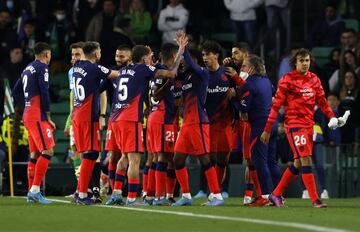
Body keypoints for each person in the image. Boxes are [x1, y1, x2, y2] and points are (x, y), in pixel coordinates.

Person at [260, 48, 348, 208]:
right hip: (294, 125)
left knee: (299, 163)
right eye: (301, 60)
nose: (305, 63)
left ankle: (276, 194)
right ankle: (316, 200)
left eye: (307, 60)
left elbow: (322, 102)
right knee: (306, 159)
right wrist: (267, 129)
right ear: (295, 62)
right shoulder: (287, 79)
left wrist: (333, 117)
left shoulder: (314, 79)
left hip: (309, 126)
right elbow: (276, 106)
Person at [106, 44, 182, 206]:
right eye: (149, 56)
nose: (151, 59)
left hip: (116, 118)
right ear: (143, 59)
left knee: (124, 157)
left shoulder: (124, 70)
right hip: (130, 119)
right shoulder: (143, 69)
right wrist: (180, 51)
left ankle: (116, 193)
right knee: (135, 159)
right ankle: (132, 198)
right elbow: (172, 73)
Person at [172, 32, 224, 206]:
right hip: (187, 124)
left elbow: (192, 65)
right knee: (177, 160)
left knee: (205, 158)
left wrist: (184, 48)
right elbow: (170, 72)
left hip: (199, 122)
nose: (204, 57)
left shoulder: (202, 73)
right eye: (203, 55)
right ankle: (186, 196)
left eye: (206, 55)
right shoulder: (184, 77)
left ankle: (216, 195)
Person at [71, 41, 118, 205]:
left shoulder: (76, 67)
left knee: (88, 154)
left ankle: (81, 191)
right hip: (87, 117)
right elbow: (115, 75)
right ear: (96, 54)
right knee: (91, 154)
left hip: (77, 114)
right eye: (99, 52)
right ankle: (82, 194)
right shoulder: (93, 68)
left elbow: (98, 88)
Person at [12, 42, 56, 204]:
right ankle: (35, 190)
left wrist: (26, 104)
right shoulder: (42, 68)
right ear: (46, 54)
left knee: (35, 153)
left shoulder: (27, 68)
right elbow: (44, 92)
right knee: (48, 150)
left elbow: (16, 91)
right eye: (50, 55)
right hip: (37, 115)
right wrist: (48, 115)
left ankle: (31, 192)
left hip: (28, 114)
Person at [237, 55, 281, 206]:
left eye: (243, 66)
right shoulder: (267, 81)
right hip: (272, 124)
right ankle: (277, 196)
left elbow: (243, 108)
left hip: (260, 126)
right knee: (272, 162)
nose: (241, 69)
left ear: (251, 68)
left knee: (259, 162)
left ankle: (265, 196)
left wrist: (233, 98)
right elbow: (274, 95)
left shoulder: (249, 83)